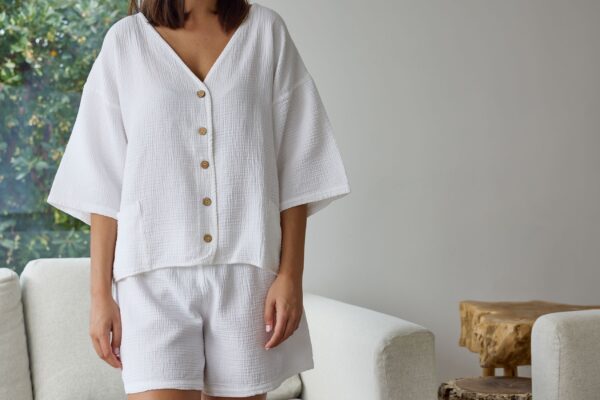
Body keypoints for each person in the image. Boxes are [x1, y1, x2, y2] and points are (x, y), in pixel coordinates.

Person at [46, 0, 351, 398]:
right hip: (151, 281)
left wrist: (291, 276)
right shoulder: (125, 42)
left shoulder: (266, 33)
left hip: (247, 279)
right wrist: (100, 295)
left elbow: (298, 167)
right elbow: (102, 182)